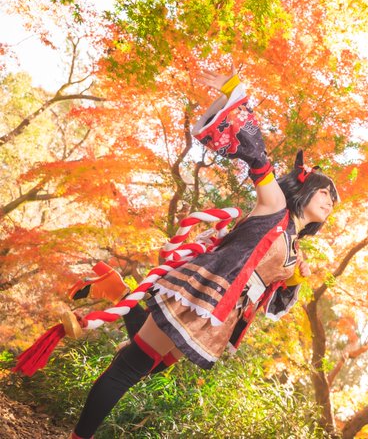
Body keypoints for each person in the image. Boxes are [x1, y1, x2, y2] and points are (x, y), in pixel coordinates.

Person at [69, 68, 339, 439]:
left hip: (221, 311)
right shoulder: (275, 204)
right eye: (324, 192)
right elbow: (258, 160)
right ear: (303, 190)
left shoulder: (295, 247)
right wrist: (234, 93)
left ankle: (116, 289)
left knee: (154, 365)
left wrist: (293, 279)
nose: (329, 201)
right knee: (132, 366)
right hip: (205, 289)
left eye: (333, 199)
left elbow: (272, 303)